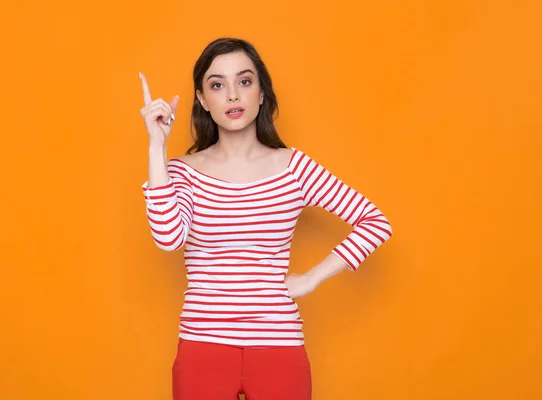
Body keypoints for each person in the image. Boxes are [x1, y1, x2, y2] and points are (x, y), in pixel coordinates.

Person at [139, 37, 392, 400]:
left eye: (244, 81)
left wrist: (310, 279)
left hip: (279, 346)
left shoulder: (294, 168)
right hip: (203, 346)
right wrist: (155, 148)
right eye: (217, 85)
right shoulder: (181, 171)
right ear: (202, 100)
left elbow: (374, 222)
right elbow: (168, 238)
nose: (232, 96)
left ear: (261, 93)